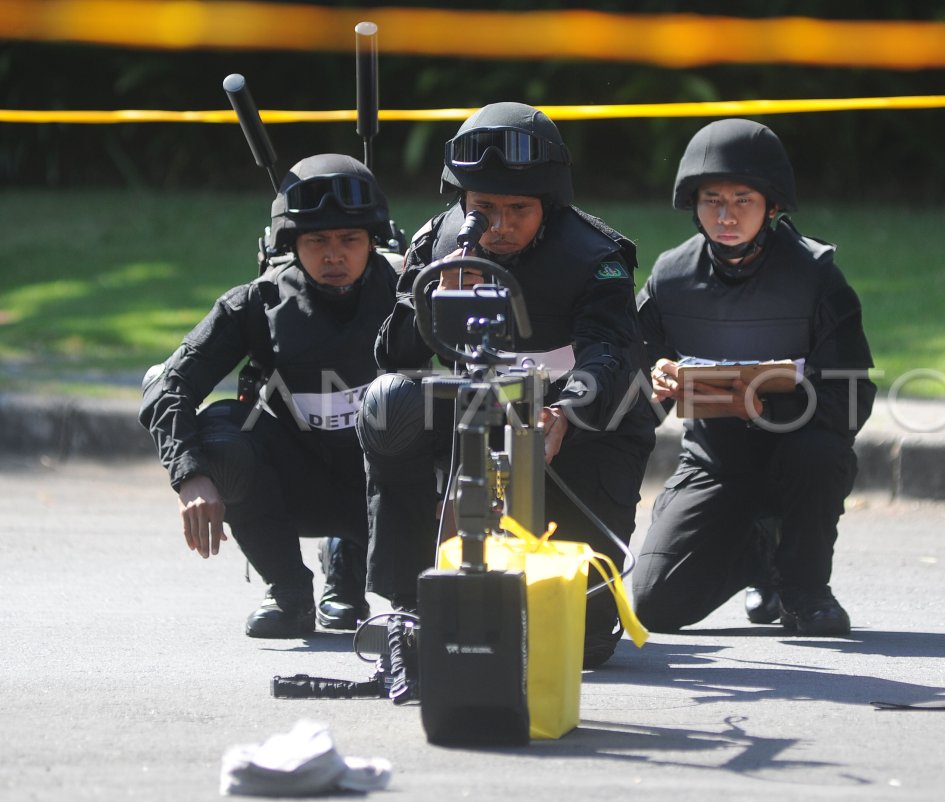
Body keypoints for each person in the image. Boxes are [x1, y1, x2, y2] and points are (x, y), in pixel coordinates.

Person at [357, 101, 656, 668]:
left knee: (580, 644)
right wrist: (431, 289)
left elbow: (612, 354)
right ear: (462, 203)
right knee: (387, 405)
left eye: (519, 209)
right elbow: (392, 356)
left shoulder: (596, 257)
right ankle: (406, 601)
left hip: (582, 427)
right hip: (480, 413)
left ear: (549, 204)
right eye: (484, 208)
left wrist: (566, 412)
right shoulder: (439, 243)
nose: (500, 225)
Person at [630, 119, 876, 636]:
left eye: (743, 199)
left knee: (819, 455)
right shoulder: (670, 277)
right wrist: (653, 389)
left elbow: (853, 397)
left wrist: (764, 408)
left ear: (772, 206)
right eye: (712, 199)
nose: (726, 215)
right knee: (656, 606)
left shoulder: (816, 277)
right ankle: (759, 556)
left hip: (799, 456)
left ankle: (804, 590)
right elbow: (629, 382)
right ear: (693, 206)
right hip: (715, 464)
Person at [139, 153, 401, 638]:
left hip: (389, 486)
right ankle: (288, 592)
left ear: (373, 241)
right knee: (223, 439)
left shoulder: (411, 294)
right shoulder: (257, 304)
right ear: (292, 245)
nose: (334, 255)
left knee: (441, 421)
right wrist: (190, 476)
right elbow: (167, 384)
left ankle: (378, 583)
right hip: (294, 482)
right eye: (316, 240)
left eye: (350, 239)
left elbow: (478, 375)